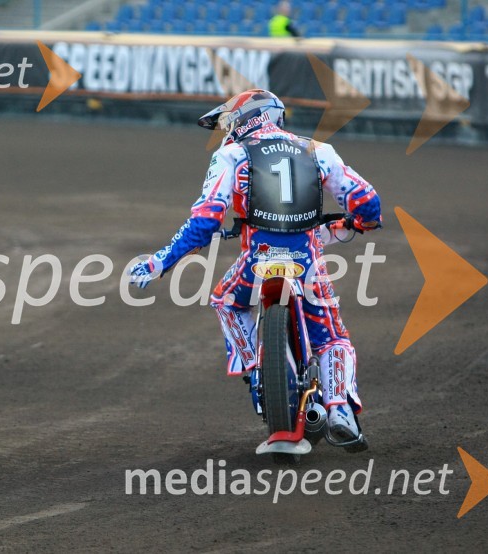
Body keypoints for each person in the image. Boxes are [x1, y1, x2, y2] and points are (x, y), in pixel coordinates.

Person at [129, 89, 381, 450]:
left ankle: (256, 371)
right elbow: (366, 200)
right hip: (307, 260)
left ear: (246, 118)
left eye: (229, 122)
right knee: (331, 336)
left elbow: (204, 221)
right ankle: (339, 407)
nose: (227, 130)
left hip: (257, 260)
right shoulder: (318, 150)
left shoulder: (232, 154)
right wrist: (361, 223)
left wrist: (160, 261)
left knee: (226, 301)